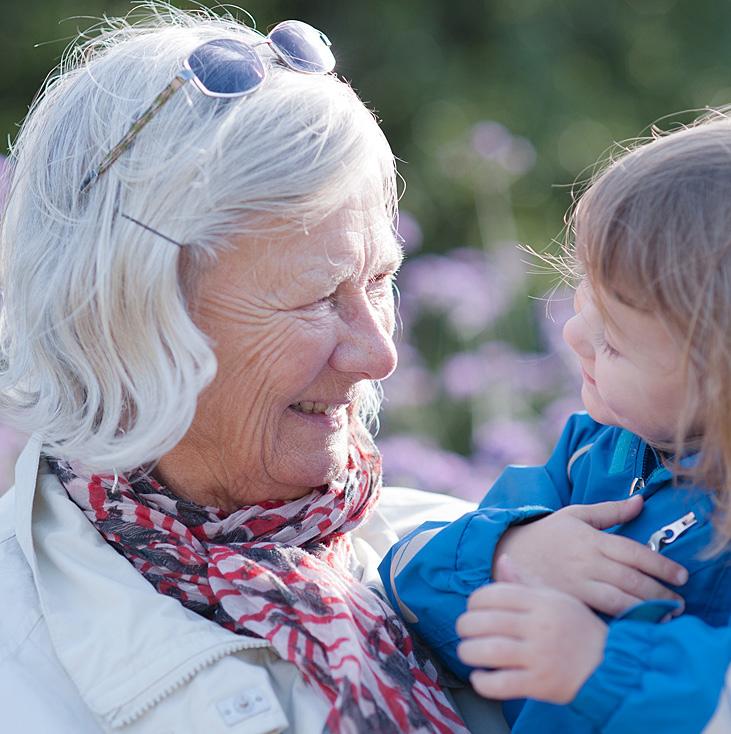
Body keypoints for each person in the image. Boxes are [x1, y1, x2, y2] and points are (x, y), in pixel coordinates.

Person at [0, 6, 505, 733]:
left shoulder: (482, 563)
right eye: (316, 297)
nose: (378, 353)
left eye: (377, 283)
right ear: (121, 317)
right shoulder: (22, 667)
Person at [378, 110, 731, 733]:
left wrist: (603, 666)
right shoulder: (592, 457)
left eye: (614, 342)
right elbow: (408, 582)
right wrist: (509, 552)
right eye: (580, 300)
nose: (573, 335)